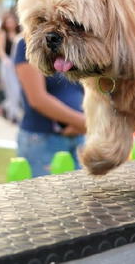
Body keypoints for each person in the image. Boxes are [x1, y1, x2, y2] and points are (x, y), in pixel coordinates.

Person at [13, 36, 86, 177]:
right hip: (43, 139)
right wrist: (84, 123)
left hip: (77, 137)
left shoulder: (73, 42)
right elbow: (37, 99)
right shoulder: (27, 43)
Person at [0, 9, 23, 123]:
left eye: (12, 21)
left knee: (18, 90)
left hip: (17, 65)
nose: (10, 24)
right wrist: (6, 60)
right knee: (11, 90)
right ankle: (12, 115)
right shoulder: (2, 33)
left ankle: (6, 108)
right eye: (8, 21)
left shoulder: (19, 34)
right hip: (7, 65)